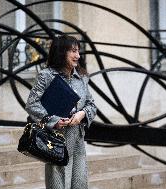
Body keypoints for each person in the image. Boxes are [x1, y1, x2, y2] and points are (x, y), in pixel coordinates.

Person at [25, 34, 97, 189]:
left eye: (78, 51)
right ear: (61, 52)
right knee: (58, 184)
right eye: (73, 51)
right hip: (55, 141)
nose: (78, 55)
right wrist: (54, 121)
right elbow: (32, 104)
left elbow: (91, 104)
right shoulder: (46, 75)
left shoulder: (82, 77)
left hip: (78, 140)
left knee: (80, 184)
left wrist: (82, 114)